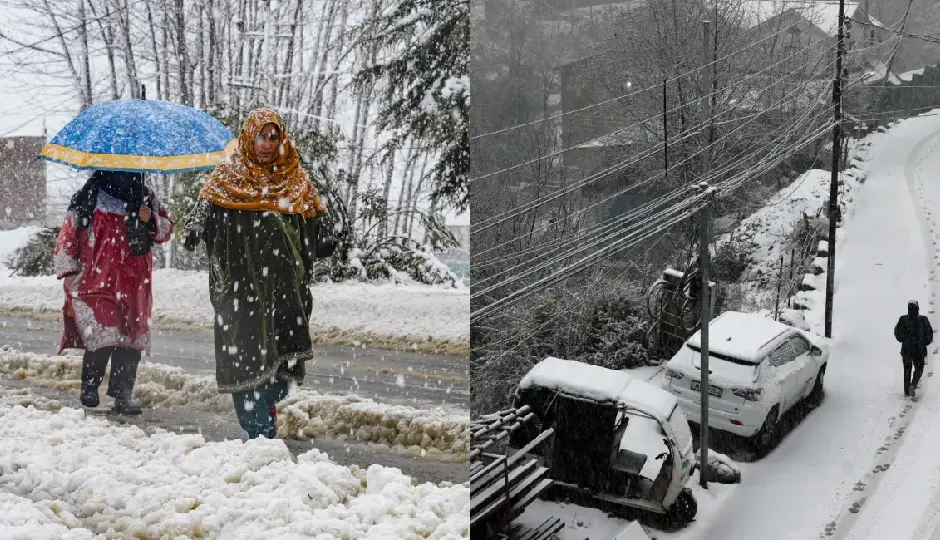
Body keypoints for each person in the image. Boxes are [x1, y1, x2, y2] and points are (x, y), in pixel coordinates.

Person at [182, 107, 336, 439]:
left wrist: (324, 237)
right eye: (261, 137)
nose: (267, 144)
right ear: (249, 137)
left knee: (283, 362)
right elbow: (205, 205)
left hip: (285, 287)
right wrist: (196, 227)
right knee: (246, 355)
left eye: (273, 137)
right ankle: (258, 431)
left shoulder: (294, 176)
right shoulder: (228, 175)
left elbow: (316, 215)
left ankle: (266, 407)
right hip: (241, 286)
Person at [53, 170, 174, 415]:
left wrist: (151, 218)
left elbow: (167, 230)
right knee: (101, 332)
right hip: (96, 278)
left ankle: (123, 395)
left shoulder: (145, 197)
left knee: (130, 339)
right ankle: (90, 384)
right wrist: (69, 270)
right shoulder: (88, 197)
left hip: (135, 281)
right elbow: (69, 232)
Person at [893, 300, 934, 397]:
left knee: (907, 370)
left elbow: (897, 332)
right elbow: (929, 333)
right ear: (918, 309)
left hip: (907, 350)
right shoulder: (923, 320)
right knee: (919, 369)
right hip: (919, 350)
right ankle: (913, 384)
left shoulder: (903, 319)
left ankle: (907, 390)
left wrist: (903, 339)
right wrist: (925, 342)